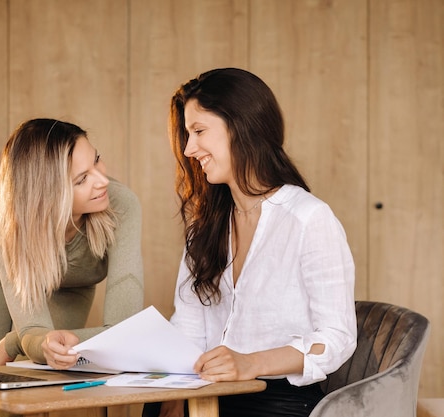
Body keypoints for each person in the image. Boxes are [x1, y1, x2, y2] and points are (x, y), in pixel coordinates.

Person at [143, 68, 357, 417]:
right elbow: (190, 326)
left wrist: (250, 363)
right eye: (186, 134)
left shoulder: (308, 219)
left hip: (277, 401)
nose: (189, 148)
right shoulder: (206, 227)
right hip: (207, 392)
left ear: (241, 127)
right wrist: (172, 397)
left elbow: (337, 337)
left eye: (198, 131)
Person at [0, 118, 143, 391]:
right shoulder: (2, 219)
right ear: (50, 194)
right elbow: (33, 330)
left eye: (96, 160)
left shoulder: (122, 205)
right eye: (82, 179)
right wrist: (29, 338)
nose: (102, 181)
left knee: (52, 368)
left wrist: (19, 341)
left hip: (72, 283)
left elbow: (126, 331)